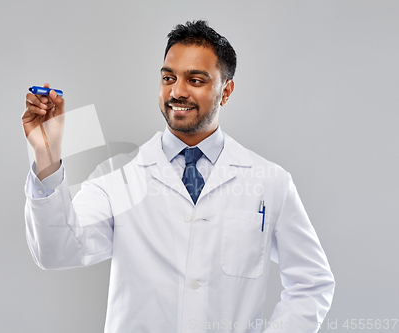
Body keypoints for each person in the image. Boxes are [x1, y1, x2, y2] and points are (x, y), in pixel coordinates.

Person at [22, 21, 335, 333]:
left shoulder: (270, 182)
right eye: (168, 78)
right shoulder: (118, 176)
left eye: (195, 80)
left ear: (226, 91)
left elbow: (312, 282)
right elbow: (55, 251)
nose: (177, 91)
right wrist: (46, 158)